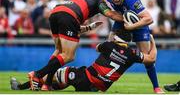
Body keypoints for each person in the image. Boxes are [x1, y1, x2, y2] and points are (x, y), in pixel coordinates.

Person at [28, 0, 124, 91]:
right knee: (69, 56)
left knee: (58, 51)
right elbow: (110, 14)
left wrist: (89, 27)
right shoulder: (99, 1)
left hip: (55, 13)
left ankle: (47, 84)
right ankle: (37, 74)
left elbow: (73, 26)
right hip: (68, 16)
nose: (113, 1)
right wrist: (132, 19)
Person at [11, 31, 157, 92]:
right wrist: (152, 40)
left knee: (59, 73)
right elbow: (152, 58)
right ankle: (44, 87)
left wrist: (110, 36)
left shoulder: (109, 45)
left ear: (116, 38)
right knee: (65, 79)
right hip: (101, 86)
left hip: (86, 78)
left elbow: (98, 48)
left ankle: (23, 86)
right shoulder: (132, 54)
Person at [94, 0, 164, 93]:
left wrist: (132, 26)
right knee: (108, 47)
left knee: (148, 60)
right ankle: (99, 83)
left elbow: (149, 19)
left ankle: (156, 87)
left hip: (139, 24)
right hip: (121, 20)